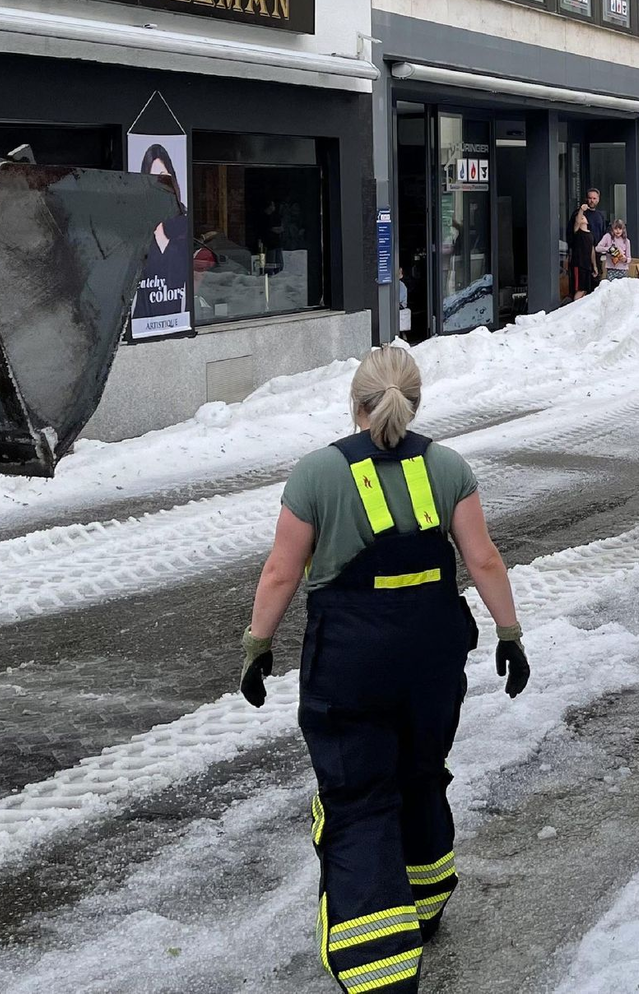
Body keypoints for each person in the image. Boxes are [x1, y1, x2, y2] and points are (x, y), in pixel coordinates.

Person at [239, 347, 530, 993]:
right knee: (421, 772)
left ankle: (378, 971)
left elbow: (282, 571)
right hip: (432, 656)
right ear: (414, 401)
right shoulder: (448, 466)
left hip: (351, 661)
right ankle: (425, 903)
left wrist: (257, 644)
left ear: (356, 402)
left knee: (359, 795)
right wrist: (509, 634)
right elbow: (482, 558)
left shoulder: (317, 473)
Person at [131, 143, 189, 325]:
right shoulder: (136, 231)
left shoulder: (185, 227)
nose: (160, 185)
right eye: (152, 179)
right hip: (142, 327)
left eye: (164, 178)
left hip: (179, 322)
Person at [569, 205, 598, 299]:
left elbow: (592, 251)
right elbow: (577, 222)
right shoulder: (578, 232)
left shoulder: (590, 235)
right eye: (580, 217)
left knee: (585, 290)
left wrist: (594, 266)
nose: (582, 218)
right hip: (579, 264)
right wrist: (581, 210)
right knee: (580, 289)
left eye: (583, 216)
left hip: (587, 265)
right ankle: (574, 309)